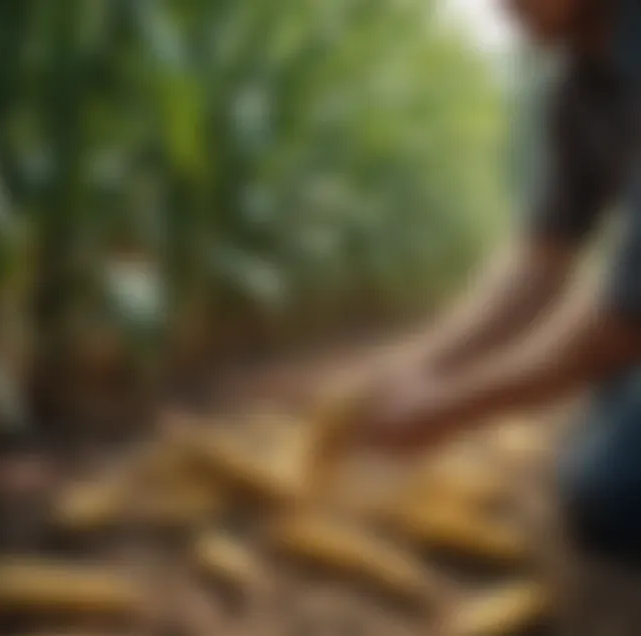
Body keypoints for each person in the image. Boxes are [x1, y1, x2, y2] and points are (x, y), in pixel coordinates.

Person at [256, 0, 641, 554]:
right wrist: (419, 365)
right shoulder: (576, 94)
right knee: (599, 432)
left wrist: (452, 407)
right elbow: (542, 264)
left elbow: (627, 322)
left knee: (607, 497)